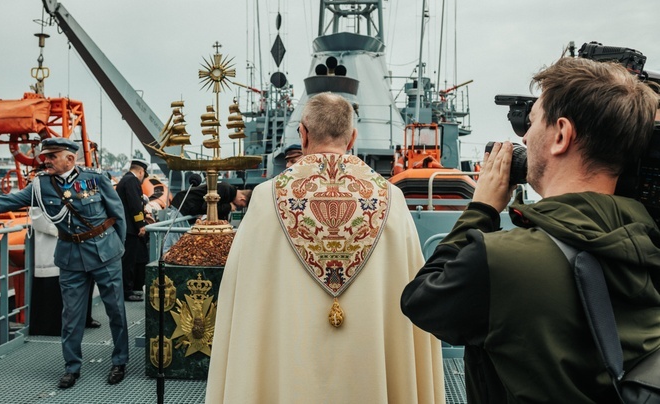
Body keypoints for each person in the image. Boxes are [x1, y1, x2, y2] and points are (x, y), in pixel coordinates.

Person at [401, 57, 660, 403]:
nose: (524, 136)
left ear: (561, 135)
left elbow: (422, 300)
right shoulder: (647, 240)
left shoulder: (500, 261)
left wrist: (481, 209)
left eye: (532, 121)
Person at [205, 92, 444, 404]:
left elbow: (245, 293)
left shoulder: (266, 197)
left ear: (302, 134)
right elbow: (410, 285)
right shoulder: (390, 198)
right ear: (352, 137)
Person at [0, 137, 129, 389]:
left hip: (105, 253)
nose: (45, 160)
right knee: (70, 317)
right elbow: (5, 201)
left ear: (69, 158)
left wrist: (117, 248)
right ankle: (72, 367)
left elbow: (118, 214)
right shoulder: (41, 186)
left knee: (116, 311)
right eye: (45, 156)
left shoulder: (95, 179)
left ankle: (120, 361)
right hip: (70, 257)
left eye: (52, 156)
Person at [115, 159, 149, 302]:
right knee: (128, 261)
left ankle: (127, 289)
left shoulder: (125, 180)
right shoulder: (132, 181)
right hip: (130, 229)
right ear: (141, 172)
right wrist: (141, 224)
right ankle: (126, 291)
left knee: (129, 259)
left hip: (126, 227)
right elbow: (135, 205)